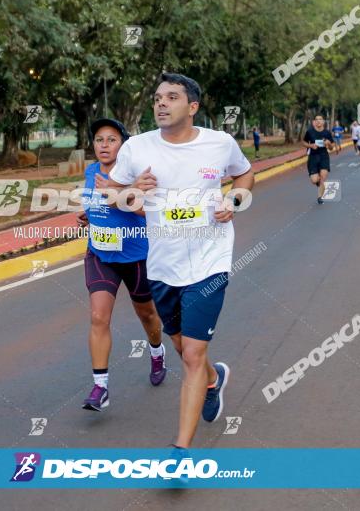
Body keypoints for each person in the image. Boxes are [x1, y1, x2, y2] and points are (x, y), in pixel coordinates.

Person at [99, 73, 254, 459]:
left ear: (193, 107)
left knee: (191, 357)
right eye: (157, 97)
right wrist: (134, 188)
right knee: (184, 345)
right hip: (162, 266)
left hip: (209, 260)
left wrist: (234, 200)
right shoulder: (137, 147)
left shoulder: (220, 144)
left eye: (171, 97)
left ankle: (180, 452)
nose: (161, 103)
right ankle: (214, 380)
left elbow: (245, 173)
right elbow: (111, 194)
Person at [75, 118, 166, 412]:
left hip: (135, 255)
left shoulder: (136, 176)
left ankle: (157, 350)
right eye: (99, 139)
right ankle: (100, 388)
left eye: (111, 139)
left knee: (148, 314)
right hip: (100, 255)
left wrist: (116, 196)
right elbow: (94, 202)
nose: (104, 145)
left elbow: (146, 212)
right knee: (99, 317)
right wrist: (89, 215)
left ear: (123, 144)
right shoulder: (91, 172)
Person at [303, 115, 335, 204]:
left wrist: (328, 143)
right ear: (314, 122)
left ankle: (320, 197)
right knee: (314, 180)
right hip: (313, 157)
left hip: (324, 156)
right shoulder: (310, 132)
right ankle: (318, 183)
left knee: (323, 177)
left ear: (323, 122)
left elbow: (332, 147)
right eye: (316, 119)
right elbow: (303, 142)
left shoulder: (327, 133)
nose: (318, 121)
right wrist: (311, 146)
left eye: (320, 119)